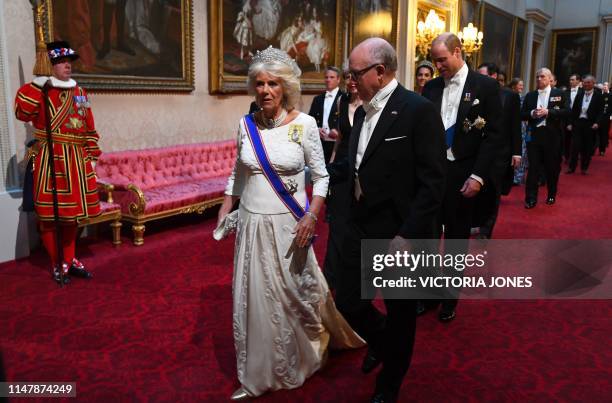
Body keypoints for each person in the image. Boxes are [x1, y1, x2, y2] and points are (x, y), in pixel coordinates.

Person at [217, 46, 364, 400]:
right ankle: (257, 374)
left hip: (290, 224)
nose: (265, 90)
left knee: (292, 296)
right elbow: (238, 173)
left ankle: (304, 352)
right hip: (252, 224)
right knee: (255, 299)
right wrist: (226, 208)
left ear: (286, 88)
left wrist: (313, 214)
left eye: (273, 84)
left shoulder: (305, 124)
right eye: (260, 84)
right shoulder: (245, 124)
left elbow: (323, 177)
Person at [336, 37, 446, 402]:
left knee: (400, 313)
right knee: (348, 302)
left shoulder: (418, 110)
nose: (350, 81)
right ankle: (385, 344)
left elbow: (433, 182)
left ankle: (390, 383)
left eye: (356, 73)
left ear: (380, 72)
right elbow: (355, 167)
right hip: (360, 226)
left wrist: (408, 234)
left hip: (401, 233)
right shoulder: (359, 110)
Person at [422, 33, 502, 321]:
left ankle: (449, 299)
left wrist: (479, 176)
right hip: (433, 174)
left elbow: (494, 136)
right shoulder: (430, 88)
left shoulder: (487, 87)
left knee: (456, 238)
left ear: (458, 51)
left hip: (464, 173)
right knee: (428, 237)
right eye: (435, 60)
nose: (438, 65)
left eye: (442, 60)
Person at [14, 41, 101, 284]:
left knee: (71, 215)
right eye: (61, 62)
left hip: (77, 160)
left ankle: (70, 259)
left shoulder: (80, 93)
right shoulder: (40, 91)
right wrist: (37, 84)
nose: (67, 66)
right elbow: (22, 112)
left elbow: (89, 127)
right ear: (49, 65)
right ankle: (56, 261)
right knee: (50, 216)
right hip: (51, 159)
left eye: (69, 62)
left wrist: (92, 156)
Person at [322, 66, 363, 289]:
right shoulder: (342, 102)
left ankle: (351, 280)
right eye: (348, 77)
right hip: (341, 168)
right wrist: (331, 164)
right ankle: (329, 282)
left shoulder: (369, 104)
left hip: (360, 168)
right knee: (336, 226)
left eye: (355, 77)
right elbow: (339, 139)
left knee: (354, 226)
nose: (352, 81)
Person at [474, 62, 521, 239]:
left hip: (500, 153)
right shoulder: (475, 95)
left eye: (483, 75)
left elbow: (515, 126)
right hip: (477, 151)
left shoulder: (510, 96)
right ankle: (476, 222)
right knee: (478, 189)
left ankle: (486, 230)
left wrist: (517, 152)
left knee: (493, 191)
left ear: (493, 77)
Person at [521, 67, 570, 208]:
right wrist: (532, 113)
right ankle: (530, 198)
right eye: (537, 76)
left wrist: (549, 112)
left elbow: (567, 112)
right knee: (533, 169)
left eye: (542, 76)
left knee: (552, 168)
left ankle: (551, 194)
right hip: (534, 136)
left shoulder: (559, 94)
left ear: (550, 79)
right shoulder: (530, 95)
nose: (538, 79)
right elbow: (522, 114)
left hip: (552, 137)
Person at [566, 74, 604, 174]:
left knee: (587, 148)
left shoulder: (598, 96)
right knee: (575, 146)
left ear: (593, 83)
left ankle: (584, 168)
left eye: (588, 82)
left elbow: (601, 112)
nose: (586, 84)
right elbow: (574, 111)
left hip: (590, 124)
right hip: (578, 123)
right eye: (584, 82)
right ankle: (571, 167)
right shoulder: (580, 94)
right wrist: (570, 123)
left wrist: (597, 123)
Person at [308, 66, 343, 163]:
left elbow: (348, 119)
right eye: (326, 77)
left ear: (338, 79)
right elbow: (311, 120)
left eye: (332, 77)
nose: (328, 80)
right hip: (320, 142)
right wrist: (317, 129)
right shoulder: (317, 99)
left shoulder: (344, 98)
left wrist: (337, 130)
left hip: (336, 143)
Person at [564, 74, 583, 162]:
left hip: (579, 119)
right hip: (567, 118)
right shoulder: (565, 92)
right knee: (567, 140)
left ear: (578, 81)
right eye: (570, 80)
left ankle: (576, 156)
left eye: (573, 80)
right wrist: (568, 122)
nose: (570, 81)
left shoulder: (582, 92)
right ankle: (567, 156)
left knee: (577, 140)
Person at [599, 82, 610, 155]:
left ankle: (602, 150)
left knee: (604, 133)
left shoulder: (611, 95)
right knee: (596, 134)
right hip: (597, 117)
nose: (605, 87)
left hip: (606, 117)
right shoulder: (599, 95)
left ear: (608, 87)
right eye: (604, 85)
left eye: (606, 86)